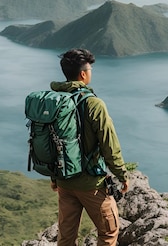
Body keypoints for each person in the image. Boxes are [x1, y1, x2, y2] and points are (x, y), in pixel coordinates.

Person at [50, 48, 129, 246]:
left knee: (66, 237)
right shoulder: (94, 104)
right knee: (109, 232)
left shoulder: (53, 101)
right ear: (83, 74)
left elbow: (51, 142)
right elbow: (110, 146)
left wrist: (54, 177)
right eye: (90, 69)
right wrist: (122, 175)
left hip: (64, 181)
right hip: (91, 184)